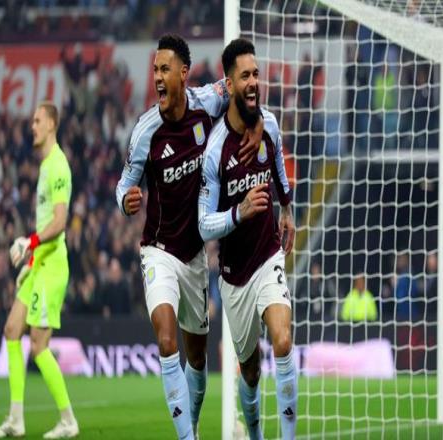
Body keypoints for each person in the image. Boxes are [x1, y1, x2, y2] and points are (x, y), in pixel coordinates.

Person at [115, 34, 262, 440]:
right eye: (154, 70)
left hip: (195, 256)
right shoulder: (146, 130)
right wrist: (125, 200)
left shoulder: (207, 102)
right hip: (158, 251)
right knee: (167, 340)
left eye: (164, 69)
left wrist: (257, 122)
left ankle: (191, 425)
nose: (157, 77)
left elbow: (243, 91)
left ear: (183, 73)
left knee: (197, 359)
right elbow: (123, 184)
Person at [198, 38, 297, 440]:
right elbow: (204, 225)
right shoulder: (215, 150)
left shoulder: (268, 124)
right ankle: (254, 434)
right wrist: (239, 212)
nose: (254, 81)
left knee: (283, 341)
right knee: (251, 371)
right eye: (245, 76)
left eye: (256, 74)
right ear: (230, 84)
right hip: (234, 275)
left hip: (268, 254)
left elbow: (278, 168)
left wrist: (286, 208)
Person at [0, 102, 78, 439]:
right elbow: (45, 224)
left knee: (38, 346)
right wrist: (29, 260)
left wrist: (31, 242)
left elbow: (60, 221)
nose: (32, 126)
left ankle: (68, 420)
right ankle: (15, 419)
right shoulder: (44, 167)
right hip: (38, 263)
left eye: (38, 121)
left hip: (53, 266)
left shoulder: (58, 166)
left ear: (52, 123)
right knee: (12, 330)